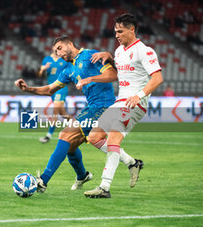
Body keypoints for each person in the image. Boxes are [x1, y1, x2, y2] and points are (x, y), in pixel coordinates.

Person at [15, 36, 142, 193]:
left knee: (65, 135)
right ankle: (84, 175)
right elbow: (49, 90)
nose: (59, 53)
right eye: (55, 51)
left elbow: (113, 75)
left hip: (104, 106)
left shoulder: (90, 56)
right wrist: (27, 89)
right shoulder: (68, 70)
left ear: (70, 44)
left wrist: (89, 79)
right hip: (92, 108)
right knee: (70, 147)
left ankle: (43, 181)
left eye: (60, 48)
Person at [78, 13, 163, 198]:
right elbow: (121, 71)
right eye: (115, 31)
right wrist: (109, 57)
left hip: (134, 104)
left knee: (113, 140)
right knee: (94, 137)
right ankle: (132, 163)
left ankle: (104, 188)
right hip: (119, 102)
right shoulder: (118, 51)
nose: (116, 35)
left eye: (120, 31)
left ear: (132, 30)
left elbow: (157, 78)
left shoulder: (144, 50)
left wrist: (138, 96)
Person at [38, 52, 71, 143]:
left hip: (61, 88)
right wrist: (43, 69)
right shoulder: (47, 59)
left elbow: (72, 70)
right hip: (51, 89)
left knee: (55, 111)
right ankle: (82, 128)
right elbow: (39, 74)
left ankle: (48, 136)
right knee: (63, 113)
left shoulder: (64, 60)